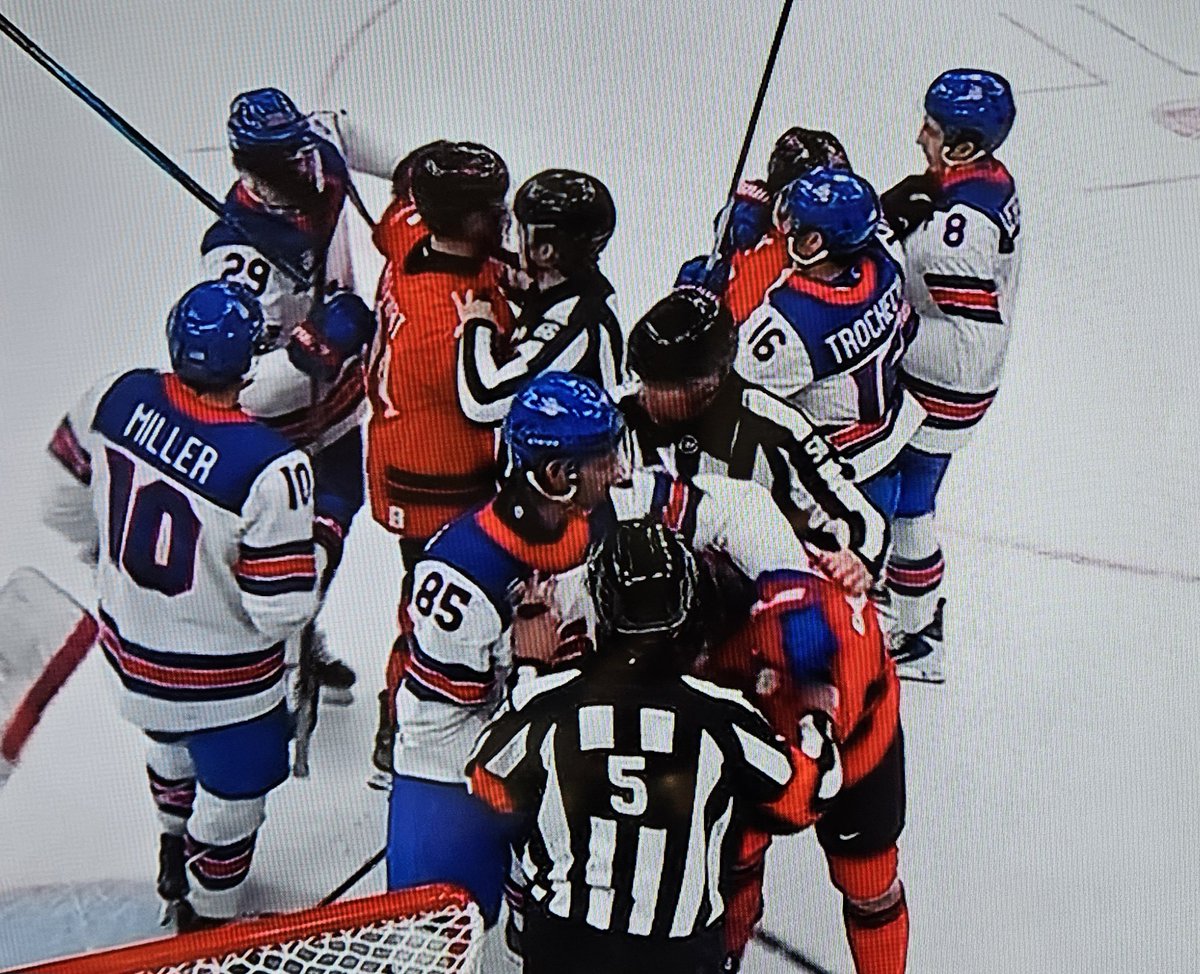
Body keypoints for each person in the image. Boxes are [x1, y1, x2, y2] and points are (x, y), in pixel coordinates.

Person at [41, 281, 319, 930]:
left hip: (129, 654)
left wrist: (103, 557)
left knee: (168, 741)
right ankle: (210, 925)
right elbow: (280, 610)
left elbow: (59, 497)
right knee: (235, 802)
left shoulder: (114, 395)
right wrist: (321, 546)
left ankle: (172, 843)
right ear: (248, 362)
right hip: (225, 685)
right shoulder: (271, 467)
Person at [466, 520, 803, 974]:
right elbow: (792, 798)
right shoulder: (726, 716)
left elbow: (485, 785)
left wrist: (528, 669)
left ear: (601, 607)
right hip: (677, 952)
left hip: (567, 944)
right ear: (686, 609)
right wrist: (814, 721)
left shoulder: (545, 703)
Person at [383, 372, 626, 923]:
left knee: (544, 934)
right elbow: (474, 723)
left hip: (556, 755)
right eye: (604, 459)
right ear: (558, 475)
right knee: (439, 939)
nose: (619, 471)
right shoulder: (460, 573)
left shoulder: (600, 522)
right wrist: (532, 669)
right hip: (454, 771)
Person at [201, 86, 380, 701]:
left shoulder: (317, 151)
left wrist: (436, 181)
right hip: (274, 436)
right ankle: (265, 655)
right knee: (277, 550)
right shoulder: (235, 260)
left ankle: (299, 635)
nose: (304, 167)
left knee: (338, 514)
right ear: (247, 167)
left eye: (301, 150)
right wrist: (316, 346)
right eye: (284, 161)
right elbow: (240, 389)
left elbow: (378, 150)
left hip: (335, 411)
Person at [365, 140, 515, 779]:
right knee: (438, 603)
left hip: (399, 455)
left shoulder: (410, 231)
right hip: (436, 481)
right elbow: (494, 398)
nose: (504, 220)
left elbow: (389, 217)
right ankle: (403, 718)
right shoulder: (443, 327)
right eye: (492, 209)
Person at [694, 558, 908, 973]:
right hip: (768, 732)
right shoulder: (737, 591)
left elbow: (805, 796)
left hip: (853, 747)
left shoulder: (809, 630)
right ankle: (723, 955)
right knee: (733, 859)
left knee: (868, 883)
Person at [877, 69, 1021, 682]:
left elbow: (949, 325)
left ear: (962, 146)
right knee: (909, 498)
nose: (919, 137)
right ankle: (912, 608)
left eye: (932, 130)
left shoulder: (959, 229)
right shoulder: (986, 182)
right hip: (960, 378)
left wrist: (884, 232)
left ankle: (919, 636)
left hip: (944, 383)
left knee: (909, 503)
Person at [619, 288, 887, 591]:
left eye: (659, 386)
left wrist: (858, 559)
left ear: (707, 385)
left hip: (750, 605)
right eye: (642, 379)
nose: (642, 395)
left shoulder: (775, 427)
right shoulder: (611, 417)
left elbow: (855, 512)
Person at [718, 168, 925, 524]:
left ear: (814, 243)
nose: (783, 227)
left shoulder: (789, 325)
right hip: (889, 447)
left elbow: (721, 395)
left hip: (834, 481)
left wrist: (714, 294)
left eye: (793, 222)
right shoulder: (885, 261)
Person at [454, 168, 624, 422]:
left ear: (545, 251)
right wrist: (528, 295)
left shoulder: (577, 328)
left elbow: (484, 403)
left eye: (519, 230)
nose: (510, 237)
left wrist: (477, 325)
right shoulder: (580, 287)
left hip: (570, 459)